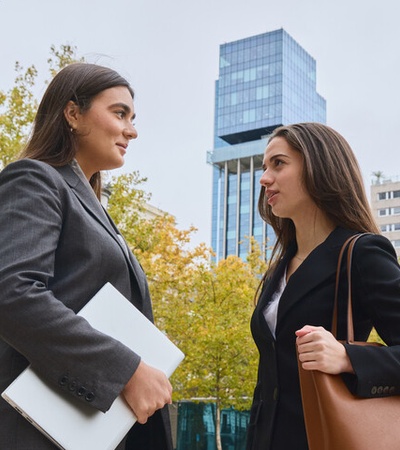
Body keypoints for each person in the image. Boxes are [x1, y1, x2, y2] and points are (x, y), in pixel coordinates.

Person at [0, 63, 173, 449]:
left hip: (92, 425)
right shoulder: (35, 178)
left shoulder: (92, 204)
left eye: (132, 117)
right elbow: (11, 293)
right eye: (119, 113)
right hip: (41, 431)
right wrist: (126, 370)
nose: (132, 130)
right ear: (73, 114)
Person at [245, 122, 400, 450]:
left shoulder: (362, 252)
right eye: (264, 167)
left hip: (326, 438)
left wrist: (347, 357)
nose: (264, 179)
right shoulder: (282, 265)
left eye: (279, 163)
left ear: (319, 168)